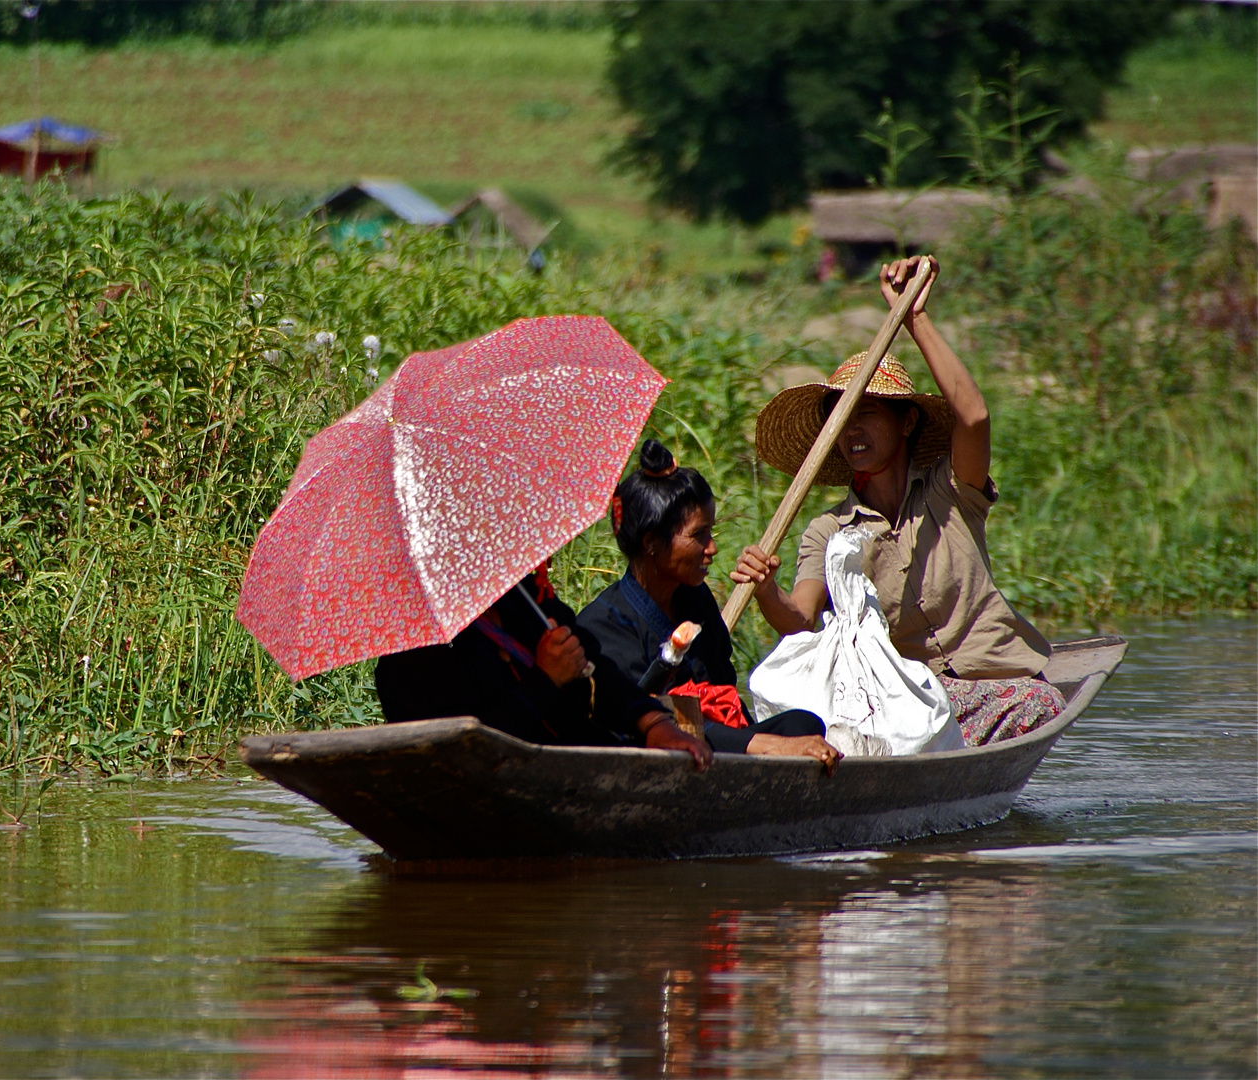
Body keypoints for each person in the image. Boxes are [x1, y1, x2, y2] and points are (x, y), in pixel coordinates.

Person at [731, 255, 1064, 744]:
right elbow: (799, 619)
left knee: (1041, 703)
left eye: (867, 413)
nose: (853, 431)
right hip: (909, 697)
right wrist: (765, 589)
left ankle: (949, 746)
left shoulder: (950, 491)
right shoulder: (829, 530)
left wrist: (915, 319)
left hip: (994, 685)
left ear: (907, 422)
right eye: (844, 420)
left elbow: (973, 417)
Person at [577, 439, 842, 771]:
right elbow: (640, 720)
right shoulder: (602, 625)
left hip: (717, 740)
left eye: (711, 532)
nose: (712, 548)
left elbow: (723, 689)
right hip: (661, 752)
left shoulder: (695, 598)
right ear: (652, 543)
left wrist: (776, 742)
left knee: (801, 727)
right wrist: (765, 745)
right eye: (698, 535)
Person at [374, 566, 713, 771]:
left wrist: (653, 723)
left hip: (579, 765)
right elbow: (461, 750)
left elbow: (594, 669)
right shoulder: (413, 649)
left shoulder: (522, 600)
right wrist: (546, 680)